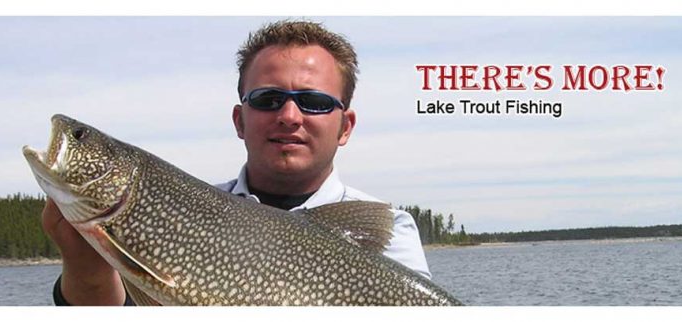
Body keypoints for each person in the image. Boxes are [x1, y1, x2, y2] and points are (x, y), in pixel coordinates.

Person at [41, 19, 430, 306]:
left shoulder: (391, 233)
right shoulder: (192, 212)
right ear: (239, 121)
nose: (290, 116)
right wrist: (84, 264)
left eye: (314, 102)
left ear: (345, 127)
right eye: (267, 99)